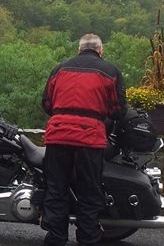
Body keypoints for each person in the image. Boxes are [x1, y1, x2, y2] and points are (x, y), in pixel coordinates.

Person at [40, 33, 127, 246]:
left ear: (79, 50)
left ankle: (56, 238)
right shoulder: (110, 71)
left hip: (58, 136)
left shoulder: (59, 69)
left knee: (56, 189)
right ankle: (88, 239)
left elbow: (46, 104)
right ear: (100, 50)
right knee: (89, 191)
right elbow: (118, 110)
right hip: (90, 139)